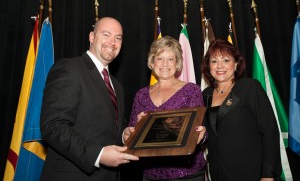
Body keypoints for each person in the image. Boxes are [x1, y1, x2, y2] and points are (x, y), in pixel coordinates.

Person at [40, 17, 139, 181]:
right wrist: (98, 155)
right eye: (106, 34)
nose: (112, 42)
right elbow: (53, 126)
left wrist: (124, 135)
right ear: (92, 37)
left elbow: (110, 129)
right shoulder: (69, 68)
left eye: (118, 38)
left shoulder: (117, 86)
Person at [127, 36, 207, 181]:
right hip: (151, 173)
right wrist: (135, 130)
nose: (165, 64)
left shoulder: (191, 91)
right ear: (152, 61)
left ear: (177, 63)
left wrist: (201, 135)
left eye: (170, 58)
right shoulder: (141, 95)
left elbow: (200, 131)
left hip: (187, 173)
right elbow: (131, 135)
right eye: (159, 58)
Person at [200, 39, 282, 181]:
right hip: (218, 171)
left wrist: (268, 174)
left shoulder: (249, 87)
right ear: (208, 66)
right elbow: (208, 132)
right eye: (214, 61)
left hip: (250, 170)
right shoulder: (205, 94)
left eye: (226, 60)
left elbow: (270, 131)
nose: (219, 66)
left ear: (236, 63)